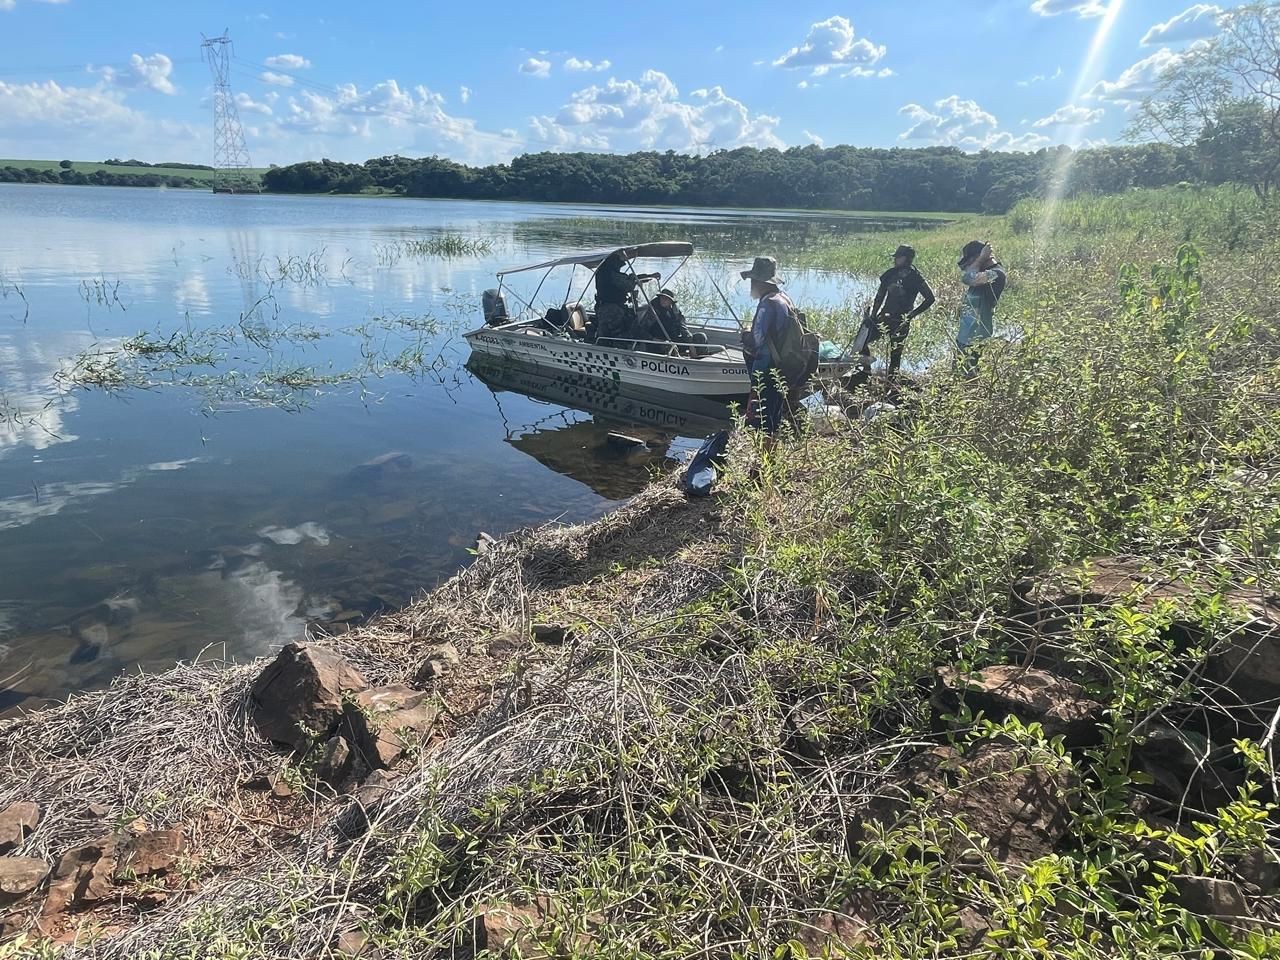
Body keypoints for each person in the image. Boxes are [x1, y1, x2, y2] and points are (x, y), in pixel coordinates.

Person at [852, 244, 935, 386]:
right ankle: (865, 373)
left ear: (907, 259)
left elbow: (930, 298)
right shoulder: (890, 274)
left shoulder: (915, 278)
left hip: (901, 321)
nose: (895, 260)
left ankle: (891, 384)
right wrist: (873, 315)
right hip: (884, 317)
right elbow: (880, 295)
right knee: (862, 341)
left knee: (895, 354)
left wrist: (912, 315)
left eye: (898, 257)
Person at [740, 256, 798, 450]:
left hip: (767, 367)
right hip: (783, 365)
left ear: (759, 282)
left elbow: (758, 340)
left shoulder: (767, 304)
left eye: (753, 281)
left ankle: (763, 463)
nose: (751, 285)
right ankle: (770, 457)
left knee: (763, 416)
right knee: (774, 412)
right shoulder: (784, 298)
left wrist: (746, 334)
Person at [956, 240, 1006, 376]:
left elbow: (967, 278)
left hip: (975, 338)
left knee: (969, 377)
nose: (971, 265)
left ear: (981, 256)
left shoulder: (996, 273)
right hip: (965, 337)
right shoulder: (982, 272)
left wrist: (981, 259)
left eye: (972, 260)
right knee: (959, 376)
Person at [594, 250, 659, 344]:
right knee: (621, 331)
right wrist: (634, 279)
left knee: (630, 322)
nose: (620, 267)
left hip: (613, 307)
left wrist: (649, 276)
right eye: (618, 265)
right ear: (613, 264)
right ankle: (615, 350)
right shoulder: (609, 274)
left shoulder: (609, 273)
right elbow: (629, 284)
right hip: (610, 309)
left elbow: (629, 279)